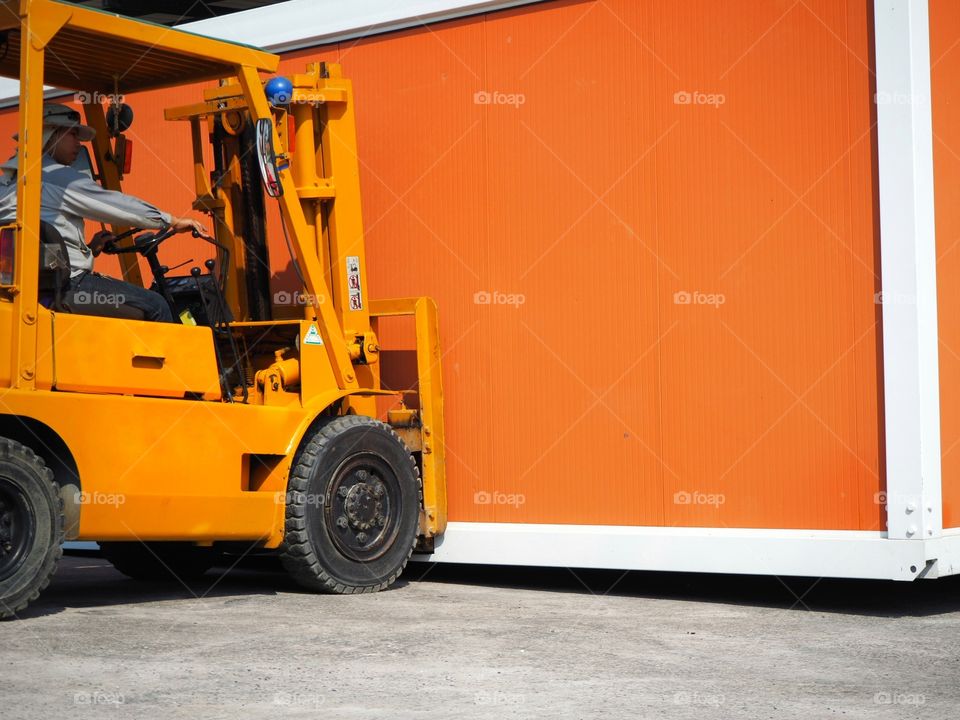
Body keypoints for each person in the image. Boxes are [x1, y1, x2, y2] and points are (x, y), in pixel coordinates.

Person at [0, 102, 212, 322]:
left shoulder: (10, 180)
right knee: (156, 304)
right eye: (73, 134)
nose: (78, 143)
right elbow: (115, 205)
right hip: (69, 286)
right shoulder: (55, 175)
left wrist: (90, 249)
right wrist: (170, 221)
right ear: (51, 135)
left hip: (29, 288)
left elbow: (38, 240)